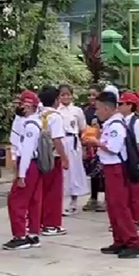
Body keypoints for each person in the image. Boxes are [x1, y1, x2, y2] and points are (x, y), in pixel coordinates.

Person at [84, 91, 139, 258]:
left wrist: (96, 142)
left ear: (106, 108)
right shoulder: (111, 124)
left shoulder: (116, 126)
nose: (96, 112)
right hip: (110, 168)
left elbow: (113, 148)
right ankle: (120, 240)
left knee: (120, 206)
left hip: (117, 168)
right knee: (112, 206)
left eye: (97, 108)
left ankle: (134, 241)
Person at [4, 90, 44, 251]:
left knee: (16, 201)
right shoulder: (38, 122)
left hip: (28, 166)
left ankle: (20, 236)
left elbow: (26, 152)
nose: (22, 107)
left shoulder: (30, 126)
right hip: (34, 166)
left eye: (24, 105)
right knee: (34, 200)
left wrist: (21, 175)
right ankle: (33, 233)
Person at [36, 86, 69, 237]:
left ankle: (40, 221)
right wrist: (64, 158)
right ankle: (51, 224)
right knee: (54, 192)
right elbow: (57, 139)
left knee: (41, 189)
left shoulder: (38, 113)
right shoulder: (55, 116)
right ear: (56, 100)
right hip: (52, 157)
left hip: (39, 156)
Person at [57, 84, 89, 215]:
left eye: (68, 94)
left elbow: (83, 129)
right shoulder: (56, 111)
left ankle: (74, 201)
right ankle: (60, 202)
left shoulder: (77, 111)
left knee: (74, 171)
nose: (66, 97)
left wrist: (85, 147)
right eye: (63, 95)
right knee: (62, 172)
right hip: (60, 141)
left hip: (74, 142)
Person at [118, 91, 139, 226]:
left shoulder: (137, 122)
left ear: (130, 105)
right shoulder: (121, 120)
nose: (119, 106)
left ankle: (138, 218)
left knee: (136, 191)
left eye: (121, 104)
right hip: (124, 159)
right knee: (125, 192)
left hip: (134, 160)